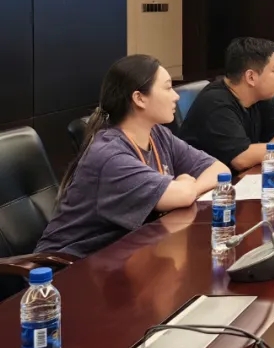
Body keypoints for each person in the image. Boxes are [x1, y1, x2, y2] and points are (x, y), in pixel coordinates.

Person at [36, 55, 229, 260]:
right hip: (67, 267)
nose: (176, 96)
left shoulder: (158, 134)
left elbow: (219, 170)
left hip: (123, 256)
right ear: (139, 98)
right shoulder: (110, 156)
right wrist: (183, 187)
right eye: (167, 88)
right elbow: (183, 195)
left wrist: (188, 187)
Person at [181, 37, 274, 172]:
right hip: (208, 188)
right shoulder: (215, 103)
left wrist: (263, 154)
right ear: (251, 77)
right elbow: (241, 159)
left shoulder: (261, 95)